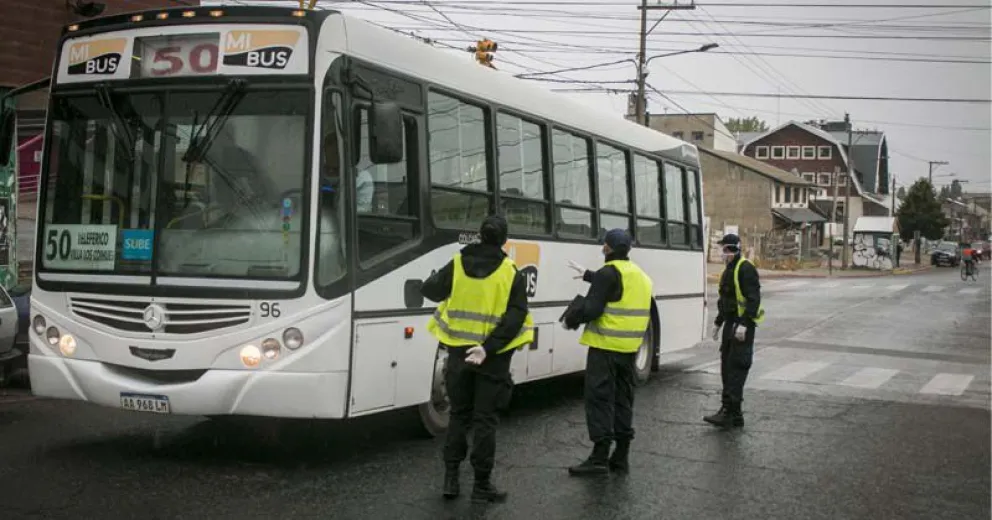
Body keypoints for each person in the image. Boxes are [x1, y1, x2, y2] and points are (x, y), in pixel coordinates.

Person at [422, 215, 534, 502]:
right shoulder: (511, 271)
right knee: (485, 419)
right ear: (504, 240)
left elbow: (431, 290)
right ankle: (481, 485)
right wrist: (489, 347)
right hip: (492, 357)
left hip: (458, 353)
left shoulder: (457, 263)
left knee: (459, 415)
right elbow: (515, 316)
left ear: (479, 236)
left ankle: (451, 481)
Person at [563, 228, 653, 476]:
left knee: (599, 400)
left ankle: (599, 457)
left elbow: (593, 309)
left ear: (607, 248)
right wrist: (588, 276)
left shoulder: (607, 273)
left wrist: (571, 318)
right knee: (623, 400)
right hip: (629, 350)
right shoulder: (641, 276)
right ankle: (621, 456)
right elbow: (617, 290)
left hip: (604, 348)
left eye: (604, 244)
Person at [704, 233, 764, 428]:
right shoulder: (728, 270)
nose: (724, 254)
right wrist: (718, 322)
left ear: (734, 250)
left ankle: (730, 412)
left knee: (736, 367)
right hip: (731, 324)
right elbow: (725, 300)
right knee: (726, 368)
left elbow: (753, 298)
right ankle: (733, 413)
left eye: (727, 250)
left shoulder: (745, 268)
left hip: (742, 325)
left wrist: (745, 323)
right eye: (724, 250)